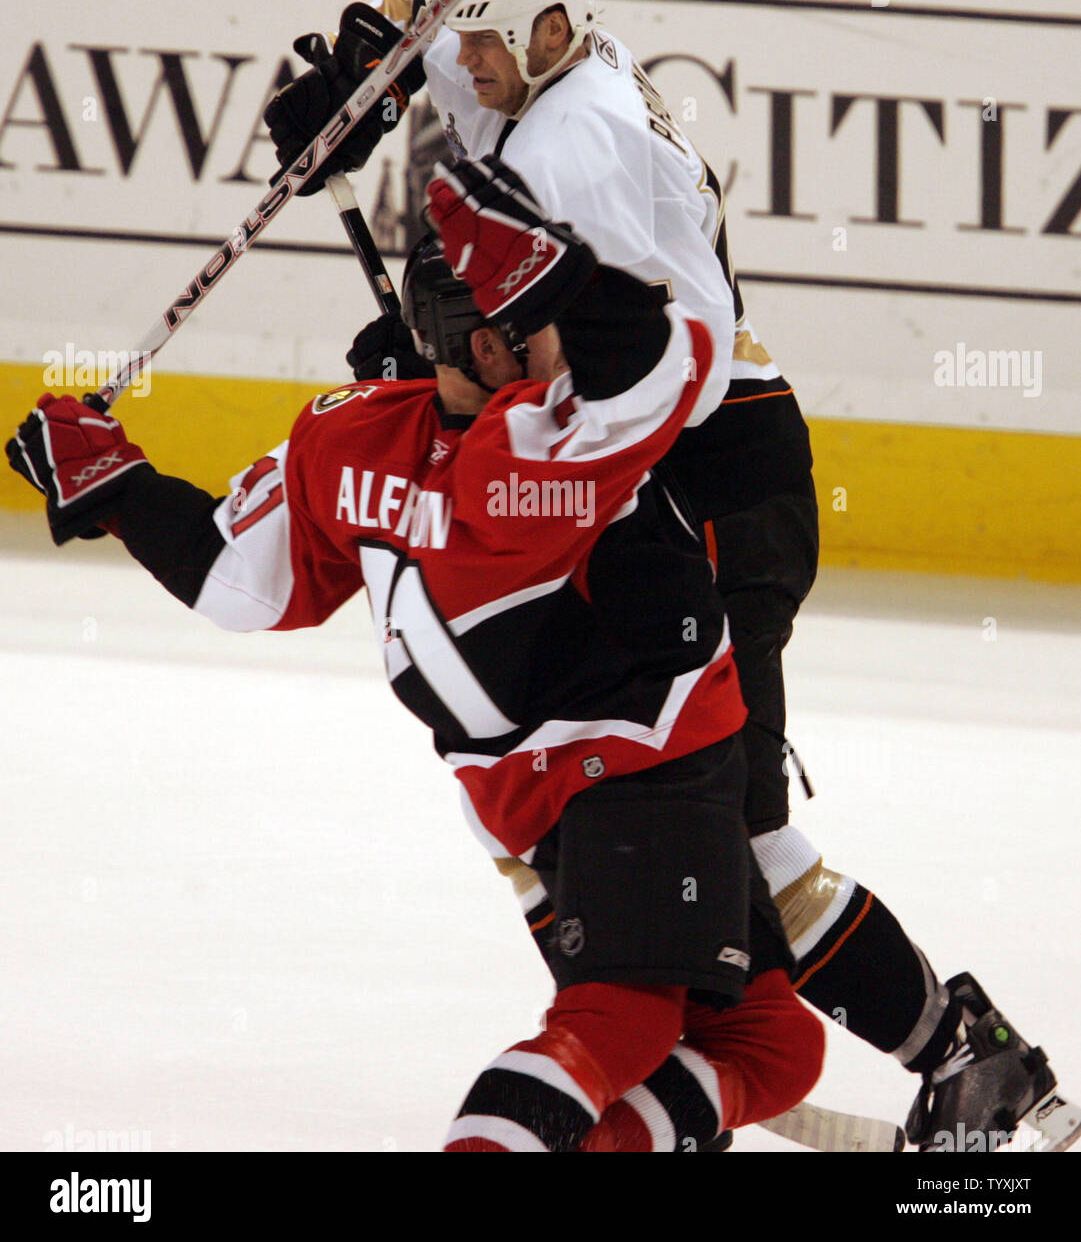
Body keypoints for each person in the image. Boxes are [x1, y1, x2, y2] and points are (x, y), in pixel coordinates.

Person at [262, 0, 1074, 1150]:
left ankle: (964, 1057)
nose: (463, 66)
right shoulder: (525, 37)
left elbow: (589, 362)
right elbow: (441, 2)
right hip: (658, 476)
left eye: (477, 50)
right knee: (627, 768)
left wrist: (439, 346)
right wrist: (370, 68)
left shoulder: (577, 140)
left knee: (733, 804)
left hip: (712, 474)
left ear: (548, 30)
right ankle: (714, 1003)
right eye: (461, 44)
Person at [6, 157, 824, 1153]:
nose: (556, 342)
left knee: (773, 1040)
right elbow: (671, 361)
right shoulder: (528, 458)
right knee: (627, 1023)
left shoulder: (343, 437)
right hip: (635, 765)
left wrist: (117, 484)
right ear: (490, 341)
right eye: (534, 321)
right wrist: (558, 273)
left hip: (516, 797)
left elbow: (236, 578)